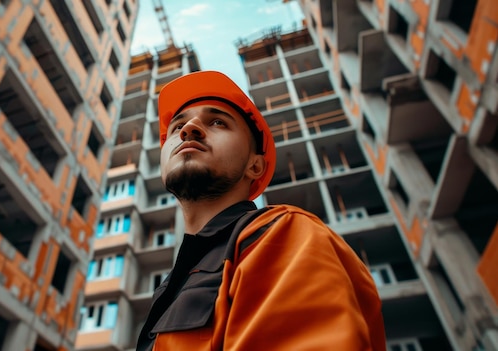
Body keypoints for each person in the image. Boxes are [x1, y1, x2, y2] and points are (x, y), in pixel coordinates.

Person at [136, 71, 386, 351]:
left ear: (255, 166)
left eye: (218, 121)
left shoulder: (281, 233)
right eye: (177, 126)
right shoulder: (173, 284)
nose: (189, 128)